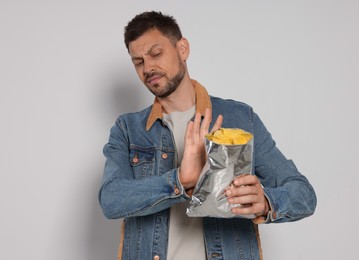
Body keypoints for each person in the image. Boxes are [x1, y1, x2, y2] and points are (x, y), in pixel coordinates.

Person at [99, 11, 317, 260]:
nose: (148, 67)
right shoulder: (128, 129)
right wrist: (179, 182)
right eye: (138, 62)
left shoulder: (240, 118)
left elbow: (304, 194)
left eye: (156, 53)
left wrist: (266, 202)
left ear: (182, 49)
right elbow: (111, 199)